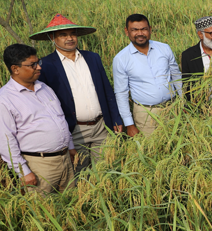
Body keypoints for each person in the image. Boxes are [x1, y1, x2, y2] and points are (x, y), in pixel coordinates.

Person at [33, 14, 123, 175]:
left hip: (101, 126)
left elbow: (107, 90)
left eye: (73, 34)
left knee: (106, 170)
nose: (70, 38)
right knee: (79, 172)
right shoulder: (45, 65)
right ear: (52, 38)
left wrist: (116, 117)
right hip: (74, 129)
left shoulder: (92, 58)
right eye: (63, 35)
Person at [0, 44, 76, 194]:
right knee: (44, 213)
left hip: (65, 159)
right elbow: (6, 140)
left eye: (38, 62)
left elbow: (60, 119)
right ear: (15, 69)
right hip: (38, 165)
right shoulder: (5, 98)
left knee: (71, 205)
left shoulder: (44, 88)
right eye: (32, 65)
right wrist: (23, 172)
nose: (39, 67)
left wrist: (71, 146)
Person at [113, 14, 182, 137]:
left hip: (172, 109)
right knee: (152, 151)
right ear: (126, 31)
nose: (140, 33)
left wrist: (182, 103)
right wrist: (129, 125)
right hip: (145, 115)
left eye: (143, 29)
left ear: (150, 29)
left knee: (177, 145)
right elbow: (121, 93)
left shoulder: (164, 49)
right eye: (134, 30)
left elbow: (176, 76)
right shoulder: (121, 59)